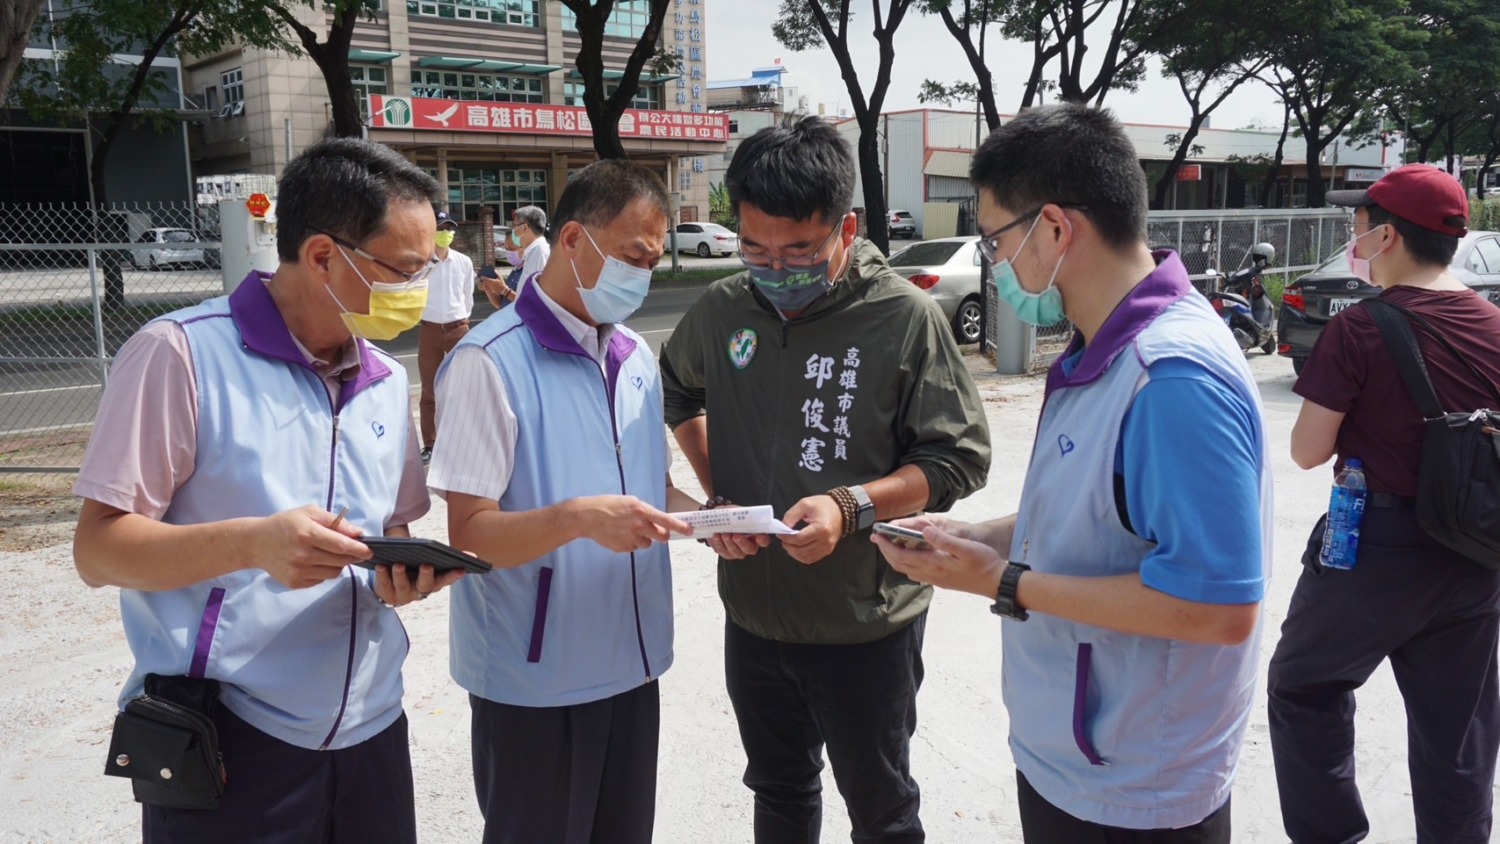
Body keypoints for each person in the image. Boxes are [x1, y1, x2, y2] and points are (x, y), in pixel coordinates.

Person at [873, 103, 1270, 842]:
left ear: (1055, 228)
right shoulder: (1103, 351)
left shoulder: (1172, 380)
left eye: (996, 238)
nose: (994, 262)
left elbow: (1218, 609)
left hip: (1135, 787)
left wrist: (1000, 580)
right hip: (1079, 757)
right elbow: (1096, 514)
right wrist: (978, 534)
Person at [71, 137, 464, 843]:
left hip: (371, 726)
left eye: (427, 268)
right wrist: (254, 543)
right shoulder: (181, 354)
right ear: (322, 257)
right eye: (406, 269)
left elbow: (391, 531)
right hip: (227, 738)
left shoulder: (379, 377)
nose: (419, 289)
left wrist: (399, 572)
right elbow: (98, 550)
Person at [658, 116, 991, 843]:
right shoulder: (724, 310)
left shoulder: (902, 317)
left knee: (882, 808)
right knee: (778, 790)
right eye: (755, 249)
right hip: (754, 615)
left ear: (847, 227)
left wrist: (851, 507)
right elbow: (677, 391)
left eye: (800, 249)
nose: (776, 269)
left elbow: (957, 457)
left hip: (864, 620)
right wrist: (722, 500)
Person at [429, 159, 695, 844]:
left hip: (633, 661)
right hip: (536, 679)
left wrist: (704, 516)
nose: (644, 275)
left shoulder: (636, 355)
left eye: (654, 260)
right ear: (574, 240)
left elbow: (647, 483)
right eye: (634, 257)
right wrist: (579, 519)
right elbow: (470, 534)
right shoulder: (489, 362)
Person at [1270, 164, 1500, 844]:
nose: (1352, 238)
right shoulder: (1493, 323)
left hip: (1377, 549)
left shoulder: (1362, 328)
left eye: (1358, 227)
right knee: (1457, 730)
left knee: (1304, 686)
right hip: (1476, 550)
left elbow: (1308, 452)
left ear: (1388, 237)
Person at [418, 210, 475, 464]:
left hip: (458, 328)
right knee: (429, 390)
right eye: (441, 228)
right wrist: (430, 262)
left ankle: (463, 441)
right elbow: (413, 288)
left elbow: (468, 296)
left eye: (450, 229)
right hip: (429, 328)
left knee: (462, 388)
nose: (446, 233)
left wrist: (460, 319)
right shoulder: (422, 262)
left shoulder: (463, 261)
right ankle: (431, 443)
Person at [480, 205, 550, 307]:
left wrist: (504, 290)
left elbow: (542, 302)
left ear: (524, 228)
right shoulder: (531, 254)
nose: (513, 232)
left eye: (515, 227)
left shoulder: (540, 254)